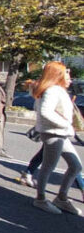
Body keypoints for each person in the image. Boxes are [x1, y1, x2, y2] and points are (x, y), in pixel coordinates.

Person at [30, 62, 82, 215]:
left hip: (59, 133)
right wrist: (65, 123)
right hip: (54, 133)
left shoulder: (54, 90)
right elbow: (45, 112)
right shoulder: (52, 90)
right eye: (67, 73)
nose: (69, 77)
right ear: (57, 74)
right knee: (48, 166)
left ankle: (61, 198)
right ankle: (40, 199)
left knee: (76, 166)